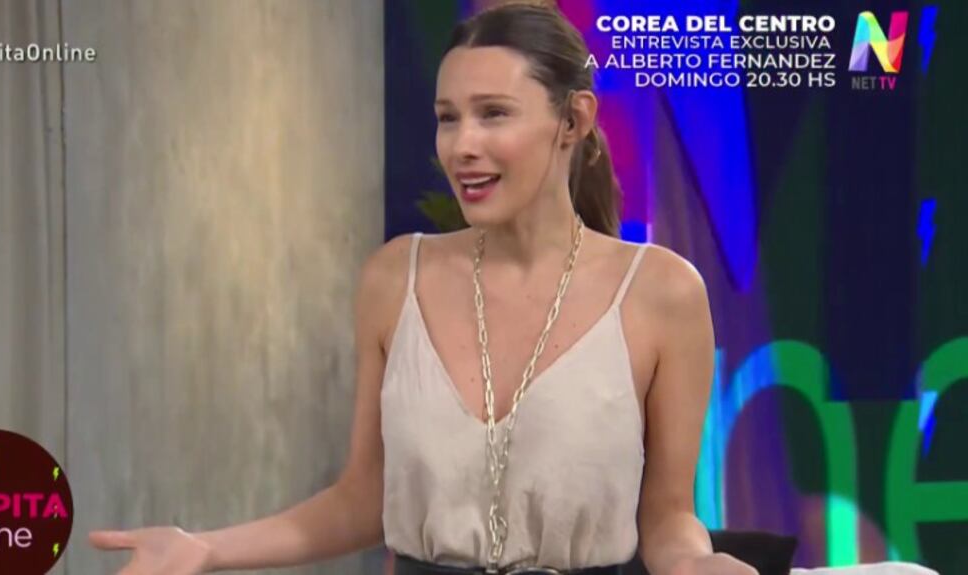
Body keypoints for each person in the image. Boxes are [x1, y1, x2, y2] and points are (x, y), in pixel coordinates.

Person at [91, 3, 757, 574]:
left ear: (573, 120)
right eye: (448, 117)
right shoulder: (394, 278)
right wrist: (206, 548)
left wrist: (696, 564)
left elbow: (667, 516)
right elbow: (363, 499)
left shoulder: (661, 293)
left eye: (493, 114)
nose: (462, 145)